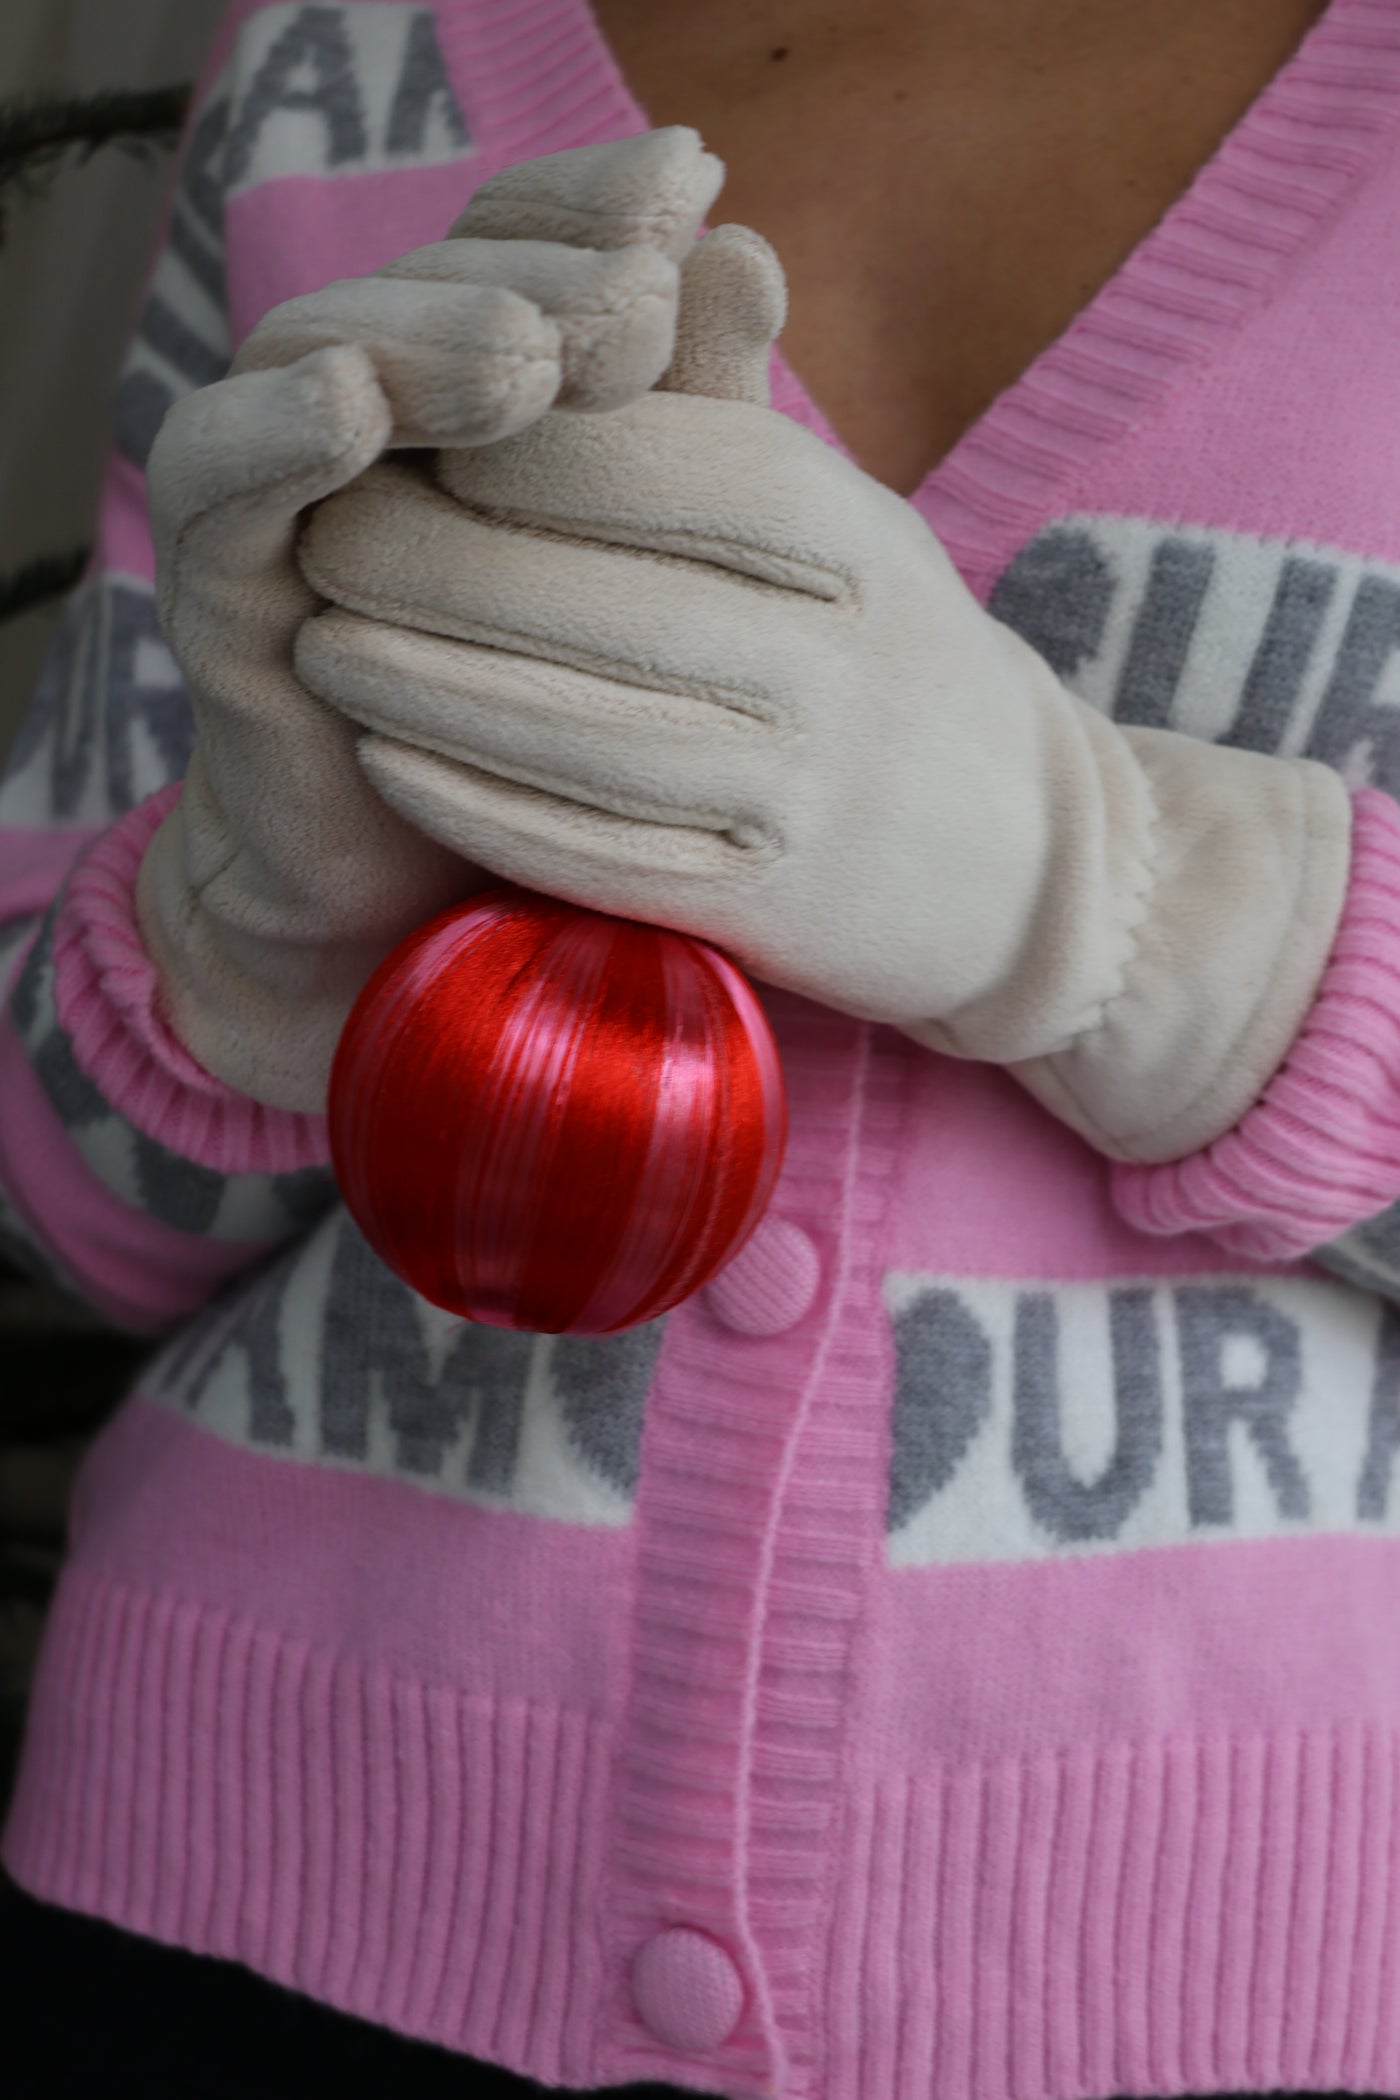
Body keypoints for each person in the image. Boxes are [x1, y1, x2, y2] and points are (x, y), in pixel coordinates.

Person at [3, 1, 1400, 2095]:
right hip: (229, 1893)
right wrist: (233, 946)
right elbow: (63, 1219)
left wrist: (1113, 903)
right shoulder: (344, 46)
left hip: (1242, 1964)